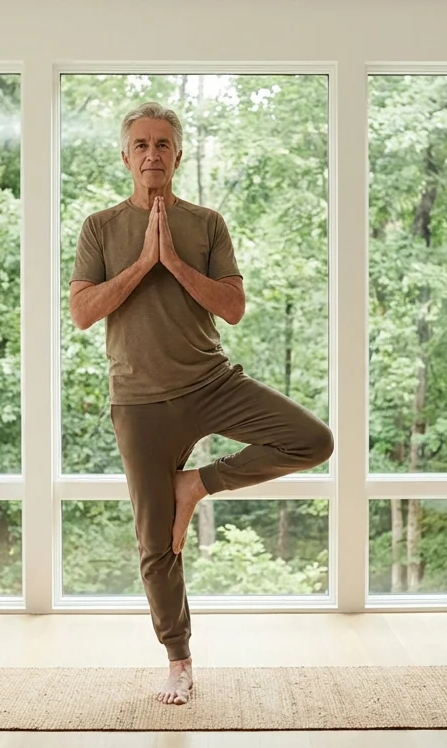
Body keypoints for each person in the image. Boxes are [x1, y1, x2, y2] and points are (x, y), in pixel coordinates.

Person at [68, 102, 334, 705]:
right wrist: (142, 263)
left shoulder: (207, 223)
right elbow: (83, 313)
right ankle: (179, 661)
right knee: (156, 542)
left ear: (178, 155)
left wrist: (175, 263)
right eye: (141, 144)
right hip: (139, 402)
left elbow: (233, 308)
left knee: (314, 439)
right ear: (125, 156)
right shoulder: (99, 227)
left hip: (212, 382)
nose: (152, 154)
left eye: (163, 144)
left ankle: (198, 485)